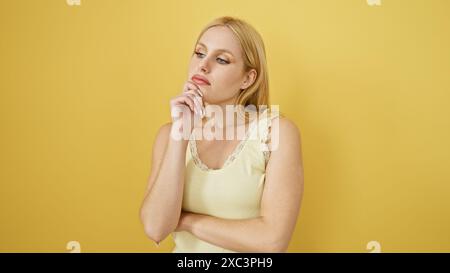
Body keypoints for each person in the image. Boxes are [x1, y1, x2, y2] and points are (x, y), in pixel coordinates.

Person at [140, 16, 304, 252]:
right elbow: (156, 228)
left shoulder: (276, 132)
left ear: (248, 79)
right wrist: (180, 136)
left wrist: (185, 220)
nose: (203, 66)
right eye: (199, 53)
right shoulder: (168, 135)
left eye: (221, 59)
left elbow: (272, 241)